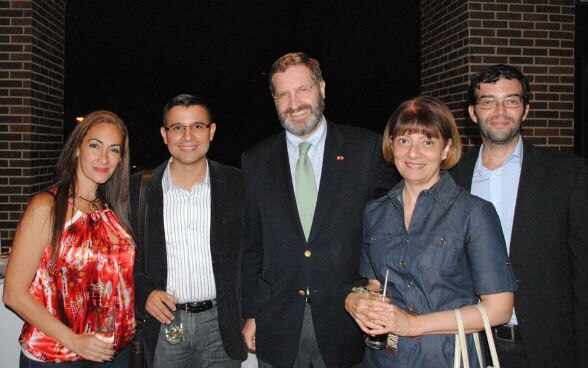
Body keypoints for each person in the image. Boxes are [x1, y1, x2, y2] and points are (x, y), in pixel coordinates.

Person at [240, 52, 398, 368]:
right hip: (278, 325)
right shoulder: (255, 160)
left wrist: (376, 289)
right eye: (283, 94)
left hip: (347, 324)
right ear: (274, 99)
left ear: (322, 89)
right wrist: (252, 313)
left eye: (302, 89)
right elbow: (251, 248)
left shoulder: (366, 149)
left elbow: (387, 232)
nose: (294, 102)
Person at [345, 96, 517, 367]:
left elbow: (499, 310)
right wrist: (356, 299)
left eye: (427, 142)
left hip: (448, 358)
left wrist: (414, 325)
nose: (413, 154)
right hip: (385, 359)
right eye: (404, 141)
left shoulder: (474, 212)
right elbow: (376, 285)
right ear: (392, 145)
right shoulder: (376, 212)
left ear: (446, 148)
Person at [450, 64, 588, 368]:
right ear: (473, 113)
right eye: (488, 101)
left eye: (511, 100)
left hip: (545, 348)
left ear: (525, 110)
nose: (500, 110)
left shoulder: (568, 174)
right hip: (468, 344)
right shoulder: (451, 177)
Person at [3, 111, 135, 367]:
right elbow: (13, 294)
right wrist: (74, 340)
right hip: (56, 353)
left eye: (114, 150)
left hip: (113, 353)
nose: (104, 158)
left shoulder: (113, 211)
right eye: (95, 145)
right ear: (77, 148)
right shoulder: (47, 207)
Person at [130, 94, 247, 368]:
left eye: (197, 126)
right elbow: (122, 258)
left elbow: (252, 252)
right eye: (177, 127)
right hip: (165, 323)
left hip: (221, 324)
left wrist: (251, 315)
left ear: (212, 131)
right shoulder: (138, 189)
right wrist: (144, 293)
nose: (187, 136)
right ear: (164, 134)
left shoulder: (237, 184)